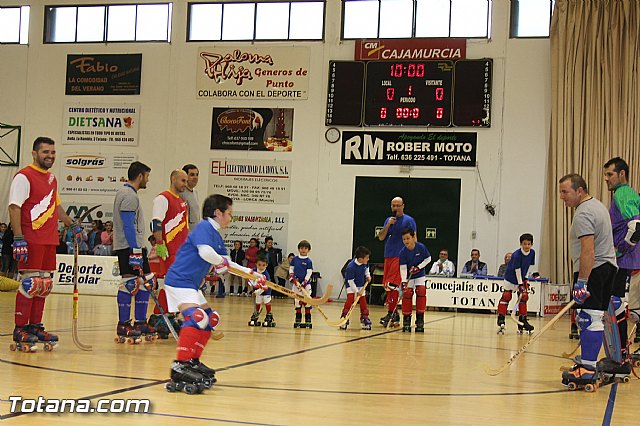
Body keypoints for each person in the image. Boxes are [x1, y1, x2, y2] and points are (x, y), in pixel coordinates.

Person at [163, 194, 266, 393]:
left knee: (211, 319)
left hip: (190, 286)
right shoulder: (204, 227)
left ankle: (193, 361)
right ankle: (180, 365)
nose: (231, 218)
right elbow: (206, 254)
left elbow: (225, 266)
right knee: (197, 317)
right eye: (229, 213)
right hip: (178, 281)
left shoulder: (217, 236)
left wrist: (252, 275)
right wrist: (220, 261)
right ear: (217, 213)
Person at [8, 136, 84, 350]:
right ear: (34, 153)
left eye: (52, 152)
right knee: (30, 284)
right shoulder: (24, 176)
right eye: (45, 152)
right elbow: (14, 207)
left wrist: (72, 224)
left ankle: (35, 326)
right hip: (31, 239)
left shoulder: (51, 179)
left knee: (44, 286)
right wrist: (18, 238)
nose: (50, 156)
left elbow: (56, 206)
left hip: (49, 239)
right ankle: (20, 328)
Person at [559, 173, 617, 388]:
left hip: (595, 269)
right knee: (594, 318)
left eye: (565, 192)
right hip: (607, 267)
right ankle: (587, 363)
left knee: (588, 318)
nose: (562, 197)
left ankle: (588, 368)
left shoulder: (583, 213)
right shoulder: (598, 206)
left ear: (579, 190)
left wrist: (582, 281)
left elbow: (588, 251)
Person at [599, 157, 640, 376]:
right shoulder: (628, 193)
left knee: (617, 305)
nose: (606, 179)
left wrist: (621, 249)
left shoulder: (623, 193)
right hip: (627, 260)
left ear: (622, 174)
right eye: (605, 175)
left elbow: (636, 226)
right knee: (621, 305)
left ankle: (621, 360)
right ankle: (622, 356)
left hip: (624, 260)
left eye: (610, 175)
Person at [112, 161, 155, 343]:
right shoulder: (129, 195)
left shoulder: (127, 193)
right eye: (147, 176)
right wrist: (135, 250)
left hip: (134, 246)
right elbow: (128, 225)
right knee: (129, 283)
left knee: (145, 283)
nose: (147, 180)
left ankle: (140, 321)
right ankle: (123, 324)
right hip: (129, 247)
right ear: (140, 176)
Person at [150, 169, 189, 324]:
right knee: (172, 283)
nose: (185, 184)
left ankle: (167, 314)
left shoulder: (182, 202)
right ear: (173, 179)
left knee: (175, 284)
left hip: (181, 251)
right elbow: (156, 222)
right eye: (183, 181)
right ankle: (159, 314)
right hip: (169, 250)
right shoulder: (162, 199)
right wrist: (160, 244)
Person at [378, 197, 417, 327]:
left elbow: (414, 238)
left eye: (398, 205)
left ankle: (391, 312)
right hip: (388, 255)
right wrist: (388, 225)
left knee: (392, 284)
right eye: (393, 205)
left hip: (399, 256)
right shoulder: (389, 220)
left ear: (403, 206)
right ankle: (393, 313)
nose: (395, 208)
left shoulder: (409, 221)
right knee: (387, 286)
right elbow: (381, 237)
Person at [496, 234, 536, 334]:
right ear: (520, 244)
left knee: (524, 297)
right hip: (511, 278)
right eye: (524, 244)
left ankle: (523, 321)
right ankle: (501, 319)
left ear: (532, 244)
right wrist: (520, 284)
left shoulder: (532, 253)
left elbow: (528, 267)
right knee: (506, 296)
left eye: (529, 244)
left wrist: (526, 279)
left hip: (521, 279)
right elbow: (517, 270)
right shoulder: (516, 255)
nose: (527, 246)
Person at [398, 229, 431, 333]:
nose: (406, 241)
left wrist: (418, 267)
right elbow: (403, 268)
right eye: (404, 239)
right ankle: (406, 321)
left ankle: (420, 320)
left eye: (408, 238)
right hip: (409, 277)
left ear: (413, 237)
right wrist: (404, 282)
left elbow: (428, 259)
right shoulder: (402, 252)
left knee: (421, 291)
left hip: (419, 275)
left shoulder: (421, 247)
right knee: (407, 293)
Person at [339, 246, 372, 330]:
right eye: (367, 258)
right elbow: (350, 281)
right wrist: (356, 292)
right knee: (350, 299)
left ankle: (364, 317)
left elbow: (366, 269)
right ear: (361, 258)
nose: (368, 259)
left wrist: (368, 276)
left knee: (363, 300)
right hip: (351, 285)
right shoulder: (351, 267)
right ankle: (344, 316)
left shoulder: (365, 263)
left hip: (361, 284)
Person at [289, 240, 313, 328]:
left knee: (308, 301)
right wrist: (294, 280)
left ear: (309, 250)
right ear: (298, 249)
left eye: (305, 248)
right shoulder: (295, 259)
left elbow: (309, 273)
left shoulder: (309, 261)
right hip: (296, 284)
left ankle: (308, 319)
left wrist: (304, 282)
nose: (303, 250)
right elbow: (291, 270)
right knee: (297, 301)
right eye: (302, 248)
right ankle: (298, 319)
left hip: (306, 285)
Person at [248, 254, 275, 327]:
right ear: (256, 264)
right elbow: (249, 279)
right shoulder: (253, 271)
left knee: (267, 302)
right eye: (259, 265)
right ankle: (256, 313)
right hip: (257, 290)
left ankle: (269, 314)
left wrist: (258, 291)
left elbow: (266, 286)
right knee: (258, 302)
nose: (261, 267)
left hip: (266, 291)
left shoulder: (266, 274)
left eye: (263, 265)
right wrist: (252, 287)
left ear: (266, 265)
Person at [180, 164, 200, 231]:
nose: (195, 177)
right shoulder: (180, 193)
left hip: (195, 234)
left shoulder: (195, 192)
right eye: (192, 175)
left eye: (196, 175)